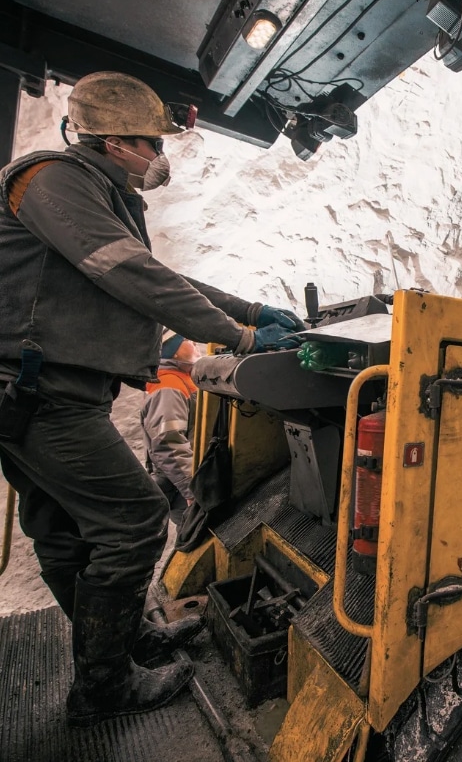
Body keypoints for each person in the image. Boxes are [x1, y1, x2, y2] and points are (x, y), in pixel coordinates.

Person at [0, 71, 304, 727]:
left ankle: (120, 644)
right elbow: (133, 275)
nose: (158, 155)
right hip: (39, 394)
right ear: (113, 140)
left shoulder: (94, 190)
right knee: (136, 518)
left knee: (61, 528)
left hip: (46, 394)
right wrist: (243, 334)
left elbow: (164, 276)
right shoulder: (52, 180)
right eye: (149, 141)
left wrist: (248, 308)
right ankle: (104, 684)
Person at [141, 331, 200, 526]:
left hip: (187, 478)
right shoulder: (168, 386)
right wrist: (192, 489)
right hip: (183, 487)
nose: (193, 343)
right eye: (187, 340)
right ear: (174, 352)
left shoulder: (180, 377)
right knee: (196, 534)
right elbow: (168, 442)